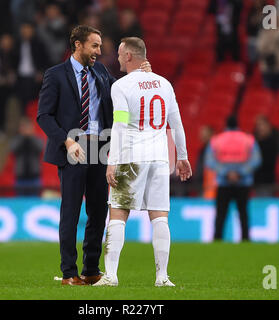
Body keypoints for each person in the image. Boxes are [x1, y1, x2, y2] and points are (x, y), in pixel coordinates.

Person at [37, 25, 150, 286]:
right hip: (74, 146)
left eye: (100, 46)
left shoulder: (100, 72)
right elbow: (44, 116)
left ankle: (90, 269)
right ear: (77, 44)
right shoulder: (55, 75)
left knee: (98, 211)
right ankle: (68, 273)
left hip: (100, 148)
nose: (100, 51)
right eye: (95, 45)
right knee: (71, 211)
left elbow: (122, 91)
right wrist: (66, 140)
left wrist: (141, 75)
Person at [93, 37, 192, 287]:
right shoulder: (164, 84)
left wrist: (112, 160)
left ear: (128, 56)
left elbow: (120, 124)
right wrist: (182, 156)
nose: (116, 58)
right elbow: (176, 124)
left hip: (130, 156)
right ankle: (162, 277)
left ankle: (111, 276)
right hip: (160, 158)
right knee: (159, 217)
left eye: (119, 54)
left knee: (118, 214)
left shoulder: (122, 87)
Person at [205, 115, 262, 242]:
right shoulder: (248, 139)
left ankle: (217, 240)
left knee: (221, 215)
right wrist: (240, 173)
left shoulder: (217, 140)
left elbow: (209, 161)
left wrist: (226, 173)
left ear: (226, 124)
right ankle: (245, 240)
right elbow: (256, 159)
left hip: (223, 182)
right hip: (243, 183)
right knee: (243, 214)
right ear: (238, 124)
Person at [10, 117, 44, 196]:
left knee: (34, 200)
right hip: (20, 176)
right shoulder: (17, 139)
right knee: (20, 201)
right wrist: (23, 137)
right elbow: (13, 149)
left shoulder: (37, 139)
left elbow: (40, 148)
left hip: (34, 176)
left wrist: (30, 137)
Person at [253, 115, 279, 196]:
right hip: (258, 181)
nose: (260, 128)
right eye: (258, 125)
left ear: (268, 125)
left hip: (269, 180)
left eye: (262, 125)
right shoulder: (255, 142)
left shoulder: (274, 141)